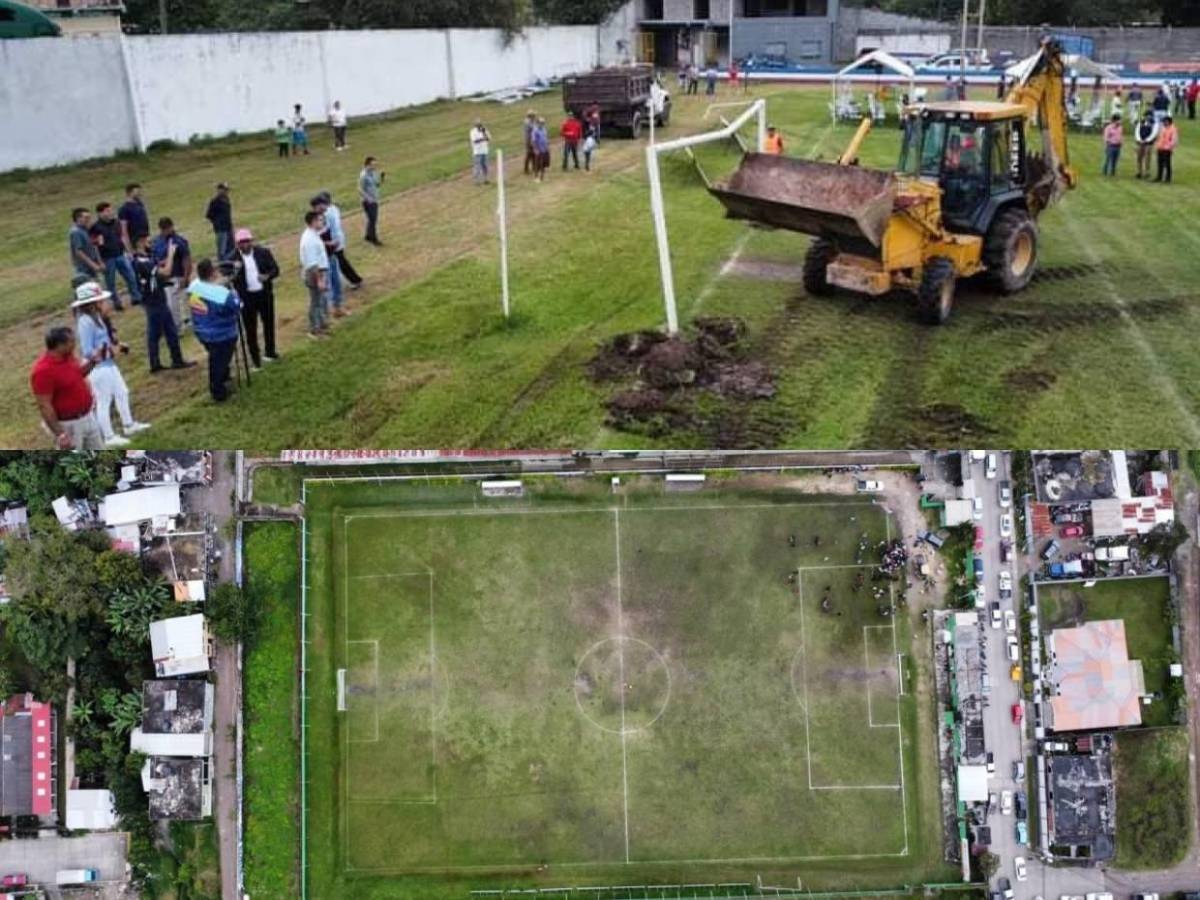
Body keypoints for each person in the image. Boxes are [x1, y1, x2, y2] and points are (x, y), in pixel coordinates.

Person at [73, 282, 149, 445]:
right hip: (98, 368)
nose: (103, 302)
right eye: (100, 300)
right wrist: (109, 352)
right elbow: (87, 350)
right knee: (104, 401)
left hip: (107, 364)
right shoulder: (86, 322)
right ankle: (108, 436)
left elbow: (105, 340)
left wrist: (116, 346)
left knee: (122, 392)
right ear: (92, 303)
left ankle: (129, 425)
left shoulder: (97, 318)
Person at [30, 324, 106, 450]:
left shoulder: (68, 357)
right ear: (60, 345)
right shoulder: (42, 371)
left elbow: (77, 375)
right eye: (71, 341)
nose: (75, 344)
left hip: (87, 417)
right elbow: (44, 405)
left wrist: (93, 362)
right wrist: (61, 434)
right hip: (69, 426)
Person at [131, 233, 191, 372]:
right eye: (146, 240)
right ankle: (173, 360)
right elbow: (166, 272)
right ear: (139, 243)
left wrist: (163, 261)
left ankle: (158, 362)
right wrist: (171, 253)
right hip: (155, 300)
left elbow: (156, 267)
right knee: (166, 331)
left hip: (153, 299)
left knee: (159, 332)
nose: (149, 242)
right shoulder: (142, 262)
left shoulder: (143, 259)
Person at [187, 259, 243, 402]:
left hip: (201, 330)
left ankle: (224, 380)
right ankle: (218, 391)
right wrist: (233, 293)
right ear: (212, 273)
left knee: (216, 359)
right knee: (219, 362)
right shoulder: (222, 294)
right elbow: (236, 306)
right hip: (222, 334)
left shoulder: (193, 286)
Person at [231, 228, 280, 368]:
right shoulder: (233, 258)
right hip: (247, 299)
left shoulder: (263, 253)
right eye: (241, 242)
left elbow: (275, 269)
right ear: (237, 244)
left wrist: (267, 276)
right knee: (250, 330)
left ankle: (270, 352)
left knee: (269, 324)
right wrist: (235, 273)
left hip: (264, 295)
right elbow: (229, 277)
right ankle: (255, 359)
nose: (245, 245)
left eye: (247, 241)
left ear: (251, 241)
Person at [89, 202, 140, 310]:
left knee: (130, 276)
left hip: (120, 254)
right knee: (110, 282)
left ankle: (135, 297)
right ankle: (116, 302)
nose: (110, 213)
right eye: (107, 211)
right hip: (107, 257)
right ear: (100, 213)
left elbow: (121, 237)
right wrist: (100, 261)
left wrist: (128, 251)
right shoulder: (95, 228)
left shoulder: (116, 223)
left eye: (110, 210)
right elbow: (95, 246)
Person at [151, 217, 193, 332]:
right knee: (170, 302)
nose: (165, 231)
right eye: (163, 229)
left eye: (167, 228)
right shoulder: (157, 242)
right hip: (163, 277)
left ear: (171, 227)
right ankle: (178, 323)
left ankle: (180, 325)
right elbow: (154, 258)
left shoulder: (179, 241)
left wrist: (185, 277)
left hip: (177, 275)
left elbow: (186, 259)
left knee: (176, 302)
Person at [310, 195, 347, 318]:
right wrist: (329, 243)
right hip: (322, 260)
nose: (326, 207)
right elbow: (314, 241)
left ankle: (338, 307)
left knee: (337, 282)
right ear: (317, 206)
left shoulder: (325, 217)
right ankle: (327, 312)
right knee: (327, 285)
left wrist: (335, 243)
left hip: (331, 255)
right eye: (324, 205)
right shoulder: (313, 222)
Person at [316, 190, 362, 288]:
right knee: (340, 260)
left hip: (334, 239)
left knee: (340, 261)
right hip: (338, 237)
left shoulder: (327, 213)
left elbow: (328, 227)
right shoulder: (334, 208)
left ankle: (354, 280)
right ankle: (353, 279)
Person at [299, 210, 330, 337]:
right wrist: (320, 280)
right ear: (313, 222)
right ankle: (314, 329)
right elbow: (312, 263)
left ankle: (321, 325)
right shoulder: (309, 239)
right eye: (320, 220)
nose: (322, 222)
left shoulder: (313, 235)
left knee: (320, 301)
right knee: (316, 303)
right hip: (315, 273)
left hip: (318, 272)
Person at [68, 207, 103, 284]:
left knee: (96, 286)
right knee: (88, 288)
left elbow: (92, 246)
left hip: (91, 266)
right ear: (78, 218)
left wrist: (99, 262)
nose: (89, 220)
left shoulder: (85, 229)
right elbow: (79, 252)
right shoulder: (76, 232)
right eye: (86, 217)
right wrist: (93, 265)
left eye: (89, 217)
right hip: (83, 268)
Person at [205, 182, 234, 261]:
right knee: (222, 249)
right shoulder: (215, 201)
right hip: (221, 229)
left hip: (228, 227)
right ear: (219, 190)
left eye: (227, 190)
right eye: (225, 190)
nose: (226, 192)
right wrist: (217, 222)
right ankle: (222, 263)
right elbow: (209, 215)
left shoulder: (226, 199)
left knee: (231, 247)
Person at [359, 156, 384, 245]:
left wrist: (382, 178)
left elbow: (377, 184)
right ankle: (374, 239)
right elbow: (360, 189)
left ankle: (368, 236)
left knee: (372, 219)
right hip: (368, 202)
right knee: (373, 219)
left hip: (374, 200)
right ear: (367, 165)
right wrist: (368, 198)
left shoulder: (373, 173)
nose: (375, 166)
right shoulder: (363, 175)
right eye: (373, 165)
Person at [117, 183, 151, 249]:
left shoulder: (140, 204)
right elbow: (124, 230)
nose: (140, 194)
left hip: (144, 240)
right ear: (129, 193)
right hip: (135, 241)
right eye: (137, 192)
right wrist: (129, 248)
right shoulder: (124, 209)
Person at [1134, 111, 1160, 180]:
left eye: (1149, 116)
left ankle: (1147, 172)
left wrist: (1147, 140)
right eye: (1146, 116)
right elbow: (1137, 131)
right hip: (1140, 142)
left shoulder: (1154, 123)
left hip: (1149, 143)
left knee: (1147, 158)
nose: (1147, 117)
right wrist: (1139, 139)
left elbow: (1154, 133)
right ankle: (1139, 172)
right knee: (1139, 157)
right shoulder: (1141, 122)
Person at [1156, 115, 1178, 183]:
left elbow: (1174, 140)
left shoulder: (1173, 129)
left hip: (1167, 149)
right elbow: (1160, 137)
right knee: (1160, 163)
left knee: (1167, 164)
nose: (1164, 123)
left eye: (1165, 121)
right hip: (1160, 148)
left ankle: (1168, 178)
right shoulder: (1162, 128)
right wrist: (1158, 145)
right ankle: (1159, 177)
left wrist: (1169, 146)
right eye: (1164, 121)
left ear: (1169, 122)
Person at [469, 119, 491, 184]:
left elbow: (489, 138)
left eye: (480, 124)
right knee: (477, 166)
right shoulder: (473, 132)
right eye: (478, 124)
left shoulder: (485, 130)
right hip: (477, 151)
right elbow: (475, 141)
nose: (479, 125)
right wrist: (483, 139)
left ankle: (485, 179)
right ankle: (476, 180)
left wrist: (484, 133)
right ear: (475, 125)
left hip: (484, 151)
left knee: (485, 166)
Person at [531, 117, 550, 182]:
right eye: (541, 123)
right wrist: (535, 149)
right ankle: (536, 177)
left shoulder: (544, 129)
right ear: (538, 123)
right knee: (538, 164)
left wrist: (547, 146)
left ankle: (542, 177)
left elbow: (546, 138)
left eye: (543, 123)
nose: (542, 124)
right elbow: (533, 141)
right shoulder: (535, 130)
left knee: (543, 163)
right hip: (539, 149)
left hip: (545, 148)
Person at [523, 110, 537, 175]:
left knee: (533, 154)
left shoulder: (531, 121)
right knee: (529, 154)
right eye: (533, 115)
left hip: (531, 140)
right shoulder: (528, 122)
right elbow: (533, 128)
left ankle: (534, 167)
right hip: (529, 140)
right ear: (530, 116)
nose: (534, 116)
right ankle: (526, 169)